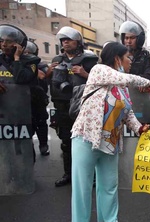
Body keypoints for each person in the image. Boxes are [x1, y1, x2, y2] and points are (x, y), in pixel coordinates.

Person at [70, 42, 150, 222]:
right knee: (82, 186)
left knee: (109, 184)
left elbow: (127, 113)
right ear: (117, 58)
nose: (130, 62)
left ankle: (111, 220)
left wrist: (139, 128)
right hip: (86, 137)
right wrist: (147, 82)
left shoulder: (122, 87)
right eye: (127, 58)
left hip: (110, 141)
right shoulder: (99, 71)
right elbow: (126, 77)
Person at [50, 26, 98, 187]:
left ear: (78, 41)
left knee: (87, 142)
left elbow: (100, 80)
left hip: (82, 106)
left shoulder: (89, 59)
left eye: (68, 40)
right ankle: (68, 174)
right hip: (62, 105)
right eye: (63, 40)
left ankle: (90, 175)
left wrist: (85, 74)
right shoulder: (58, 59)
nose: (65, 43)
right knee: (66, 142)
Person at [0, 24, 40, 162]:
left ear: (19, 45)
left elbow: (21, 79)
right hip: (3, 112)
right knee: (5, 148)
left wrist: (17, 59)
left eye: (9, 41)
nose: (4, 44)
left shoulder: (31, 62)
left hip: (24, 112)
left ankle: (25, 175)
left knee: (23, 147)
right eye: (2, 41)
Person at [25, 40, 50, 156]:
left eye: (28, 52)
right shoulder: (19, 64)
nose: (26, 54)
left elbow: (44, 74)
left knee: (41, 123)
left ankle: (43, 144)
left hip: (38, 100)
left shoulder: (40, 64)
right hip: (23, 100)